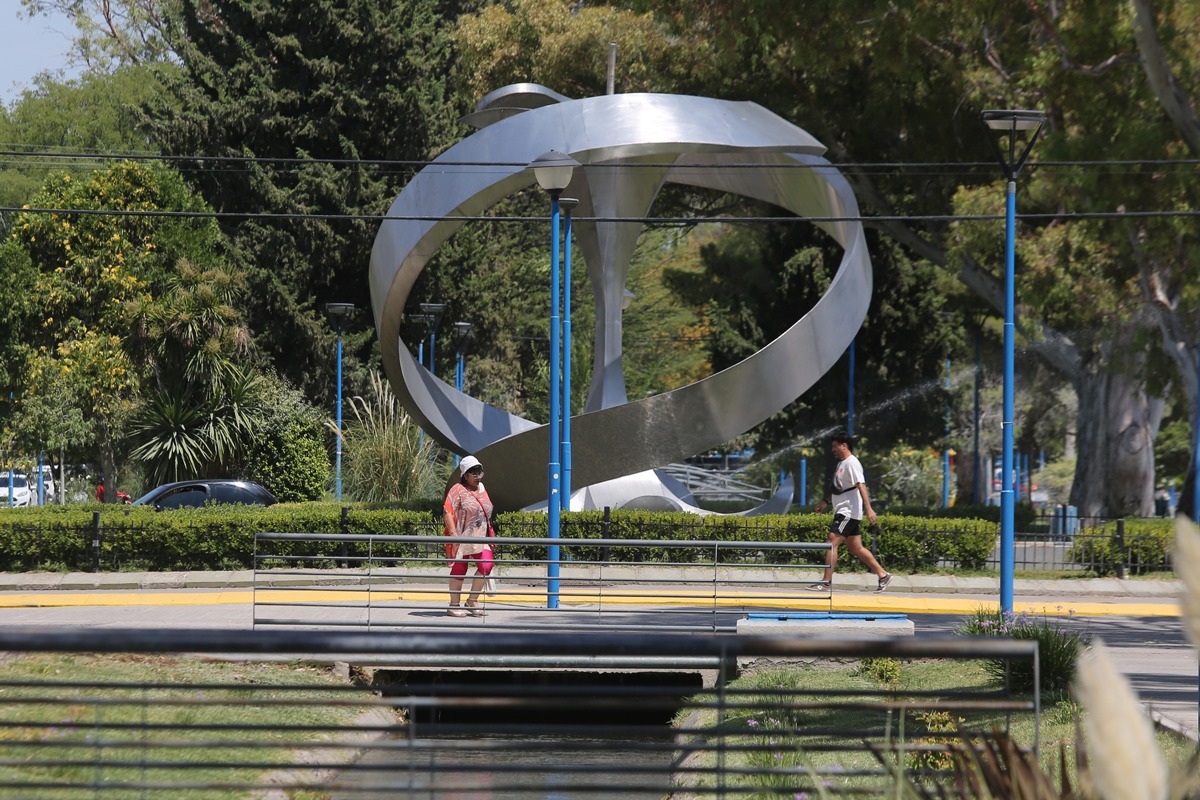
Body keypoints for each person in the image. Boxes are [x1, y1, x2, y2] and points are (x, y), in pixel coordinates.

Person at [810, 431, 892, 592]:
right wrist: (826, 502)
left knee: (831, 543)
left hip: (848, 512)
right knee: (856, 548)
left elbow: (861, 485)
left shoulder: (852, 463)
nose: (832, 449)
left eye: (835, 446)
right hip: (844, 510)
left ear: (844, 446)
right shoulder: (841, 463)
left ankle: (826, 582)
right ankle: (883, 575)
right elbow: (842, 489)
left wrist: (869, 509)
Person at [442, 455, 496, 617]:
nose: (478, 477)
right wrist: (453, 534)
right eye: (474, 473)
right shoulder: (457, 489)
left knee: (486, 565)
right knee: (460, 568)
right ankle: (454, 605)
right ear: (465, 474)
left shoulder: (482, 488)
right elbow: (447, 511)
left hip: (480, 536)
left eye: (480, 473)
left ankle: (472, 600)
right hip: (461, 534)